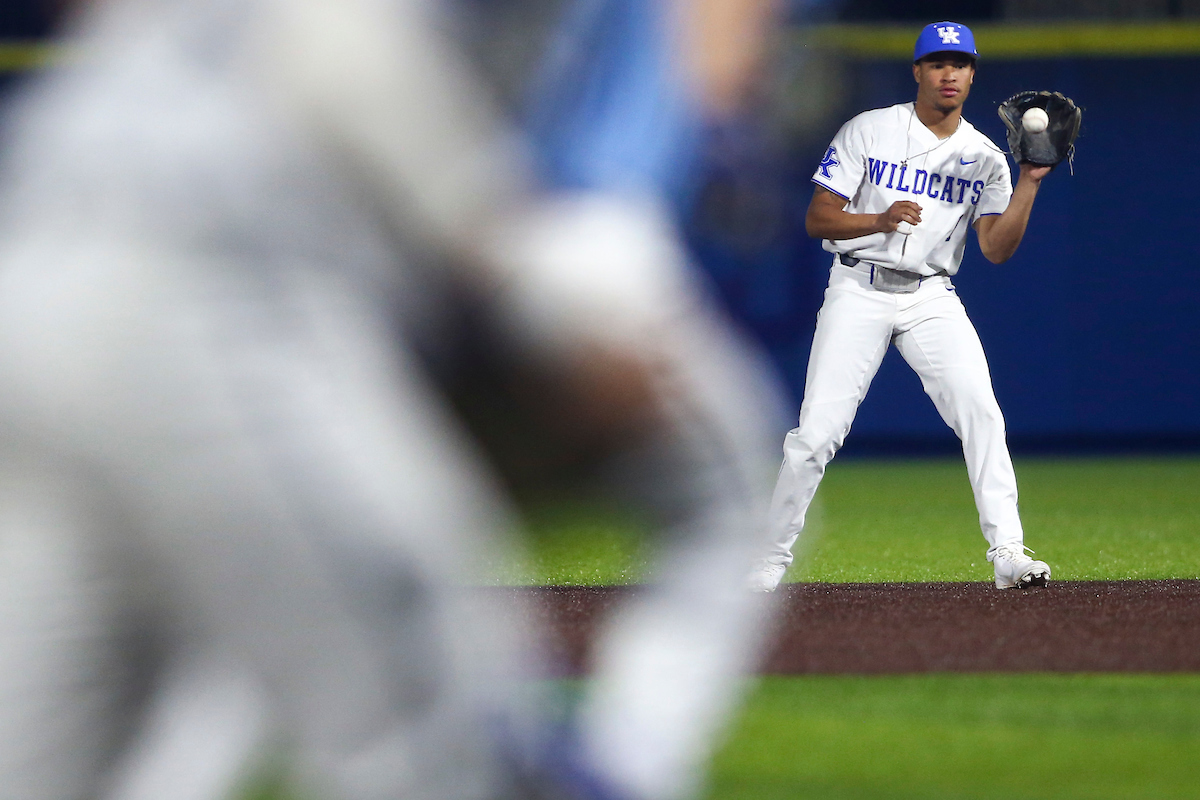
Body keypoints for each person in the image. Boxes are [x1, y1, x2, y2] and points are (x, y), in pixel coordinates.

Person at [0, 1, 784, 799]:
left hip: (33, 271)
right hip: (212, 287)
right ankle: (616, 770)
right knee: (429, 748)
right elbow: (338, 45)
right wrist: (513, 268)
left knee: (64, 745)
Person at [748, 21, 1053, 593]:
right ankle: (768, 558)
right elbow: (818, 218)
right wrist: (878, 219)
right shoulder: (869, 130)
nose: (948, 73)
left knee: (982, 415)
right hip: (857, 288)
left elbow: (995, 248)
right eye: (938, 62)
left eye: (959, 64)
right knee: (816, 434)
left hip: (931, 296)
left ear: (971, 75)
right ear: (918, 71)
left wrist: (1030, 181)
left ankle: (1008, 553)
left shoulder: (985, 158)